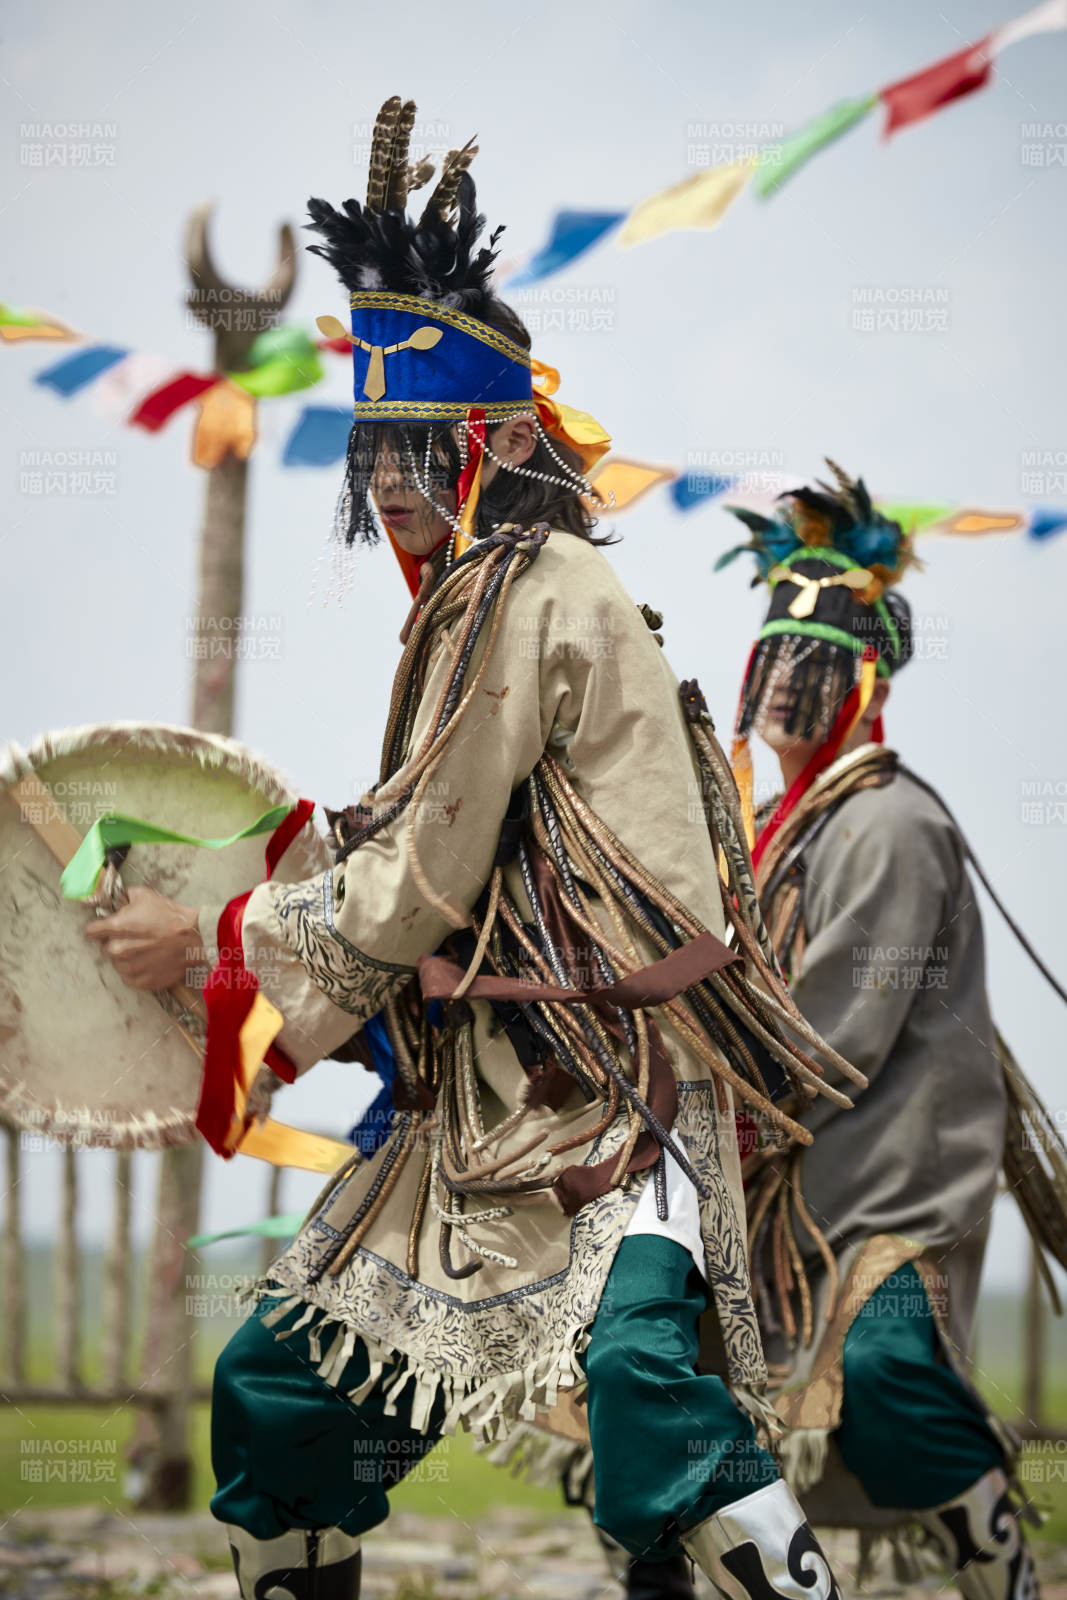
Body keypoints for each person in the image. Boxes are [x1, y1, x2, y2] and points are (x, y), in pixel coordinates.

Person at [87, 99, 863, 1600]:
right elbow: (400, 853)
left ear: (497, 441)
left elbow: (420, 885)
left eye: (414, 449)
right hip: (483, 1116)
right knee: (284, 1396)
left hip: (611, 1101)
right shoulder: (478, 599)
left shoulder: (531, 590)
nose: (385, 483)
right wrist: (252, 944)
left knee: (646, 1407)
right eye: (373, 451)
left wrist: (226, 957)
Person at [718, 462, 1059, 1600]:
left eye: (813, 663)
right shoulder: (764, 830)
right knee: (655, 1376)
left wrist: (709, 1107)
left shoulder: (889, 823)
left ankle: (998, 1567)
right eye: (773, 657)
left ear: (866, 681)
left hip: (890, 1186)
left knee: (884, 1371)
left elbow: (833, 1031)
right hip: (785, 1182)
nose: (784, 685)